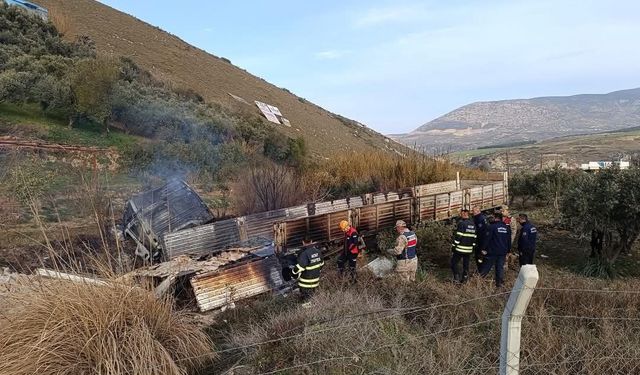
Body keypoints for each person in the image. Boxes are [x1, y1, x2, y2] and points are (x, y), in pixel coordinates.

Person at [480, 212, 512, 287]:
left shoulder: (492, 227)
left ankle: (478, 281)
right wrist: (508, 250)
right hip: (502, 252)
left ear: (495, 218)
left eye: (493, 217)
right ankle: (499, 284)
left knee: (486, 267)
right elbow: (509, 240)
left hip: (492, 252)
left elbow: (487, 239)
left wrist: (483, 248)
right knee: (499, 268)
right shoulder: (507, 228)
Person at [292, 235, 324, 303]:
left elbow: (300, 267)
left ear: (303, 242)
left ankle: (307, 310)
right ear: (311, 241)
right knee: (312, 297)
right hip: (315, 281)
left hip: (305, 283)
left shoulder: (304, 254)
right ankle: (313, 309)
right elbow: (322, 264)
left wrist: (293, 272)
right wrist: (317, 271)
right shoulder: (318, 251)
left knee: (306, 301)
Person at [450, 209, 477, 283]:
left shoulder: (462, 224)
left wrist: (454, 246)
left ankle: (456, 278)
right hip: (468, 250)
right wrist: (472, 248)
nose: (460, 215)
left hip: (460, 249)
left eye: (461, 214)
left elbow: (458, 236)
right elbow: (475, 238)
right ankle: (465, 278)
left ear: (465, 214)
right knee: (466, 264)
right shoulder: (473, 224)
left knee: (453, 263)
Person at [472, 206, 488, 271]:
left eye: (474, 211)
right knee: (479, 257)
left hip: (480, 242)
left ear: (478, 211)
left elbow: (480, 232)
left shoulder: (480, 219)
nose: (472, 212)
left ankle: (481, 271)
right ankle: (480, 270)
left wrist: (479, 244)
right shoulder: (478, 218)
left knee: (480, 257)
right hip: (480, 242)